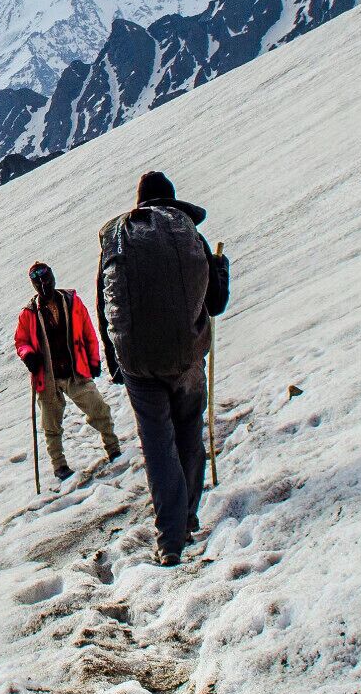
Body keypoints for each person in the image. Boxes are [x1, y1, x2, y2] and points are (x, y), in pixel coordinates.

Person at [97, 171, 230, 565]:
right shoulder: (189, 232)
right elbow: (217, 302)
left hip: (138, 362)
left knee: (158, 446)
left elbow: (105, 305)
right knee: (189, 432)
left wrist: (116, 362)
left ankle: (169, 539)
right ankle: (187, 517)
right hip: (186, 355)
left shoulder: (119, 237)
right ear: (171, 200)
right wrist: (220, 268)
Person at [14, 262, 122, 481]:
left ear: (53, 278)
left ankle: (113, 448)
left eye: (46, 279)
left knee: (98, 408)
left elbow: (87, 332)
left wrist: (93, 360)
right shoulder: (29, 314)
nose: (43, 284)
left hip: (75, 370)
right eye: (38, 281)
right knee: (51, 424)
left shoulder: (71, 302)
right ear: (34, 285)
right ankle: (59, 465)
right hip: (47, 376)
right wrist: (29, 356)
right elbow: (21, 341)